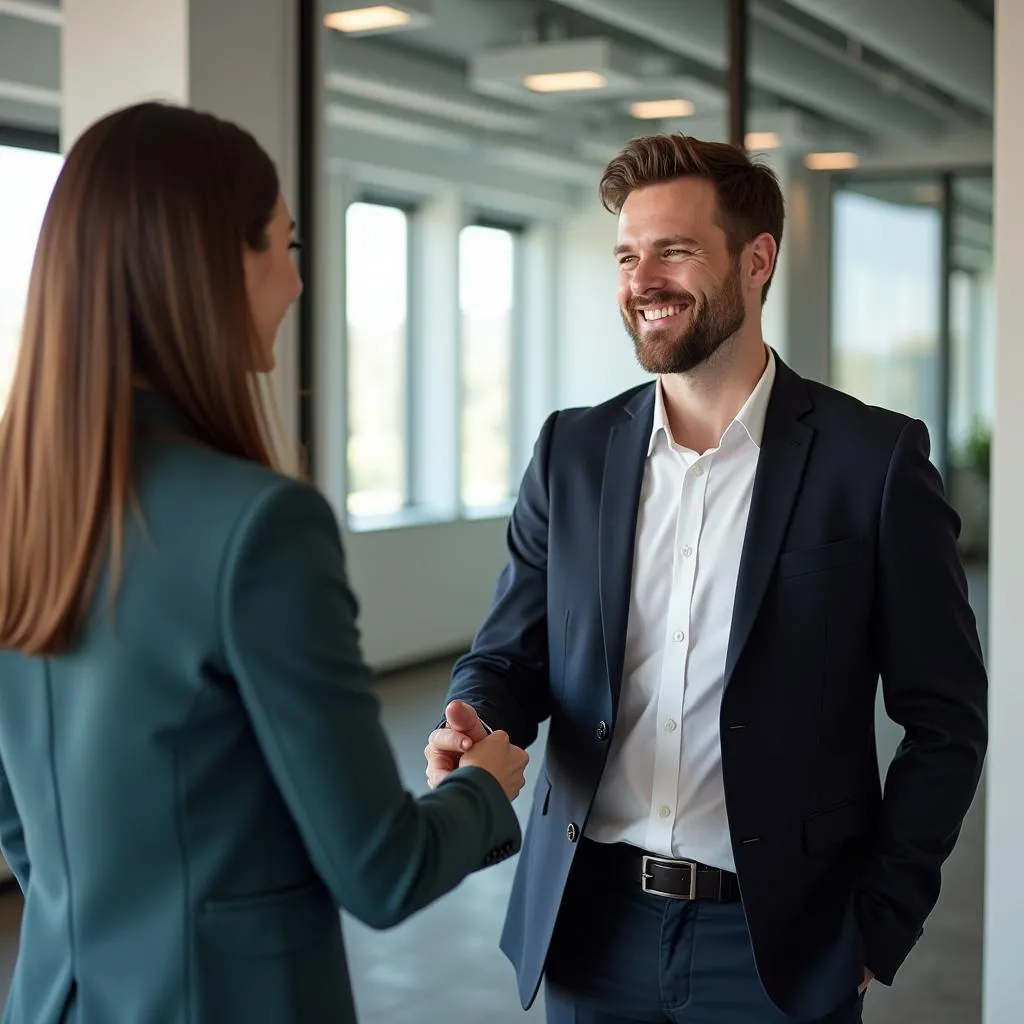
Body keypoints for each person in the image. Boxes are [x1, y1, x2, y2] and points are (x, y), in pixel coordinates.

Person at [425, 133, 987, 1024]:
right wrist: (475, 718)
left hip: (774, 944)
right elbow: (508, 655)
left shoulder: (871, 462)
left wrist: (878, 928)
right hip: (588, 923)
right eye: (626, 255)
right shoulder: (570, 452)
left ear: (756, 262)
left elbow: (947, 719)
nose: (642, 280)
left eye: (675, 251)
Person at [0, 101, 528, 1024]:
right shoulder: (262, 527)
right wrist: (485, 787)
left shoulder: (18, 502)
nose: (294, 284)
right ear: (209, 267)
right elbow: (383, 870)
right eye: (284, 247)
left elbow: (21, 826)